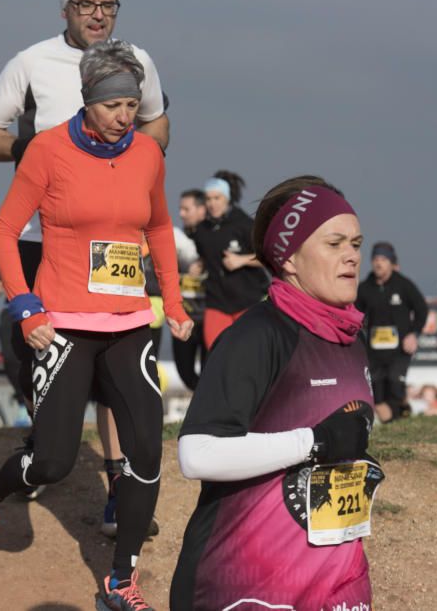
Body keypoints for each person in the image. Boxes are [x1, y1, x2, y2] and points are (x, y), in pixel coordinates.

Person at [0, 40, 193, 611]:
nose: (125, 118)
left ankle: (120, 581)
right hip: (64, 325)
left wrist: (173, 305)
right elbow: (4, 232)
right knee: (53, 461)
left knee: (147, 452)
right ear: (88, 101)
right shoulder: (48, 151)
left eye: (133, 106)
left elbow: (157, 229)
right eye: (114, 107)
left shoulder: (147, 156)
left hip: (131, 322)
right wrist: (25, 307)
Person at [0, 0, 170, 536]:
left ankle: (113, 488)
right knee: (44, 357)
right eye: (87, 5)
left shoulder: (139, 61)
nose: (98, 16)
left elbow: (158, 124)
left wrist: (139, 162)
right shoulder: (31, 61)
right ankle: (41, 458)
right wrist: (29, 153)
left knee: (116, 367)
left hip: (112, 237)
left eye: (108, 6)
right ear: (66, 8)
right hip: (40, 233)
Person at [171, 175, 378, 611]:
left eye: (356, 244)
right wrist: (315, 442)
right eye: (334, 243)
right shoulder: (258, 334)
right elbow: (197, 453)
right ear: (289, 259)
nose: (352, 256)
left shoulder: (351, 336)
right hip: (246, 587)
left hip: (337, 586)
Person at [192, 170, 269, 350]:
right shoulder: (202, 230)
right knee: (216, 352)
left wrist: (242, 260)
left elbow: (267, 257)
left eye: (217, 198)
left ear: (227, 198)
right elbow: (205, 256)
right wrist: (200, 265)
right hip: (216, 302)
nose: (212, 203)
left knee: (247, 351)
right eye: (208, 199)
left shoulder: (244, 225)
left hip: (247, 301)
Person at [355, 241, 429, 422]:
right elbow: (355, 314)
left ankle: (399, 417)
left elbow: (422, 309)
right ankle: (397, 421)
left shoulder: (403, 285)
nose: (378, 263)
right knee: (378, 395)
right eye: (375, 259)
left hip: (399, 351)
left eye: (383, 259)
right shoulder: (365, 288)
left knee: (395, 383)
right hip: (374, 352)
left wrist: (414, 333)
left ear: (391, 262)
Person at [172, 189, 207, 390]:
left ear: (202, 210)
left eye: (187, 209)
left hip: (210, 316)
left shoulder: (215, 237)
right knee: (185, 372)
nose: (182, 214)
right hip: (183, 316)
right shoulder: (175, 240)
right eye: (180, 209)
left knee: (210, 369)